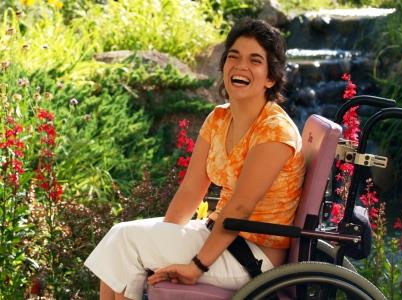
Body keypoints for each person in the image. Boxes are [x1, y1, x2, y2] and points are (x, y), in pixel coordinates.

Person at [84, 17, 306, 300]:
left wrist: (197, 266)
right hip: (219, 236)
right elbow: (191, 189)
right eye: (234, 56)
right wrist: (165, 238)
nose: (240, 66)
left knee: (125, 241)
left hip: (253, 255)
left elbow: (240, 206)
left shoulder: (275, 130)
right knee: (123, 241)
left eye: (255, 61)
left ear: (271, 77)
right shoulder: (219, 117)